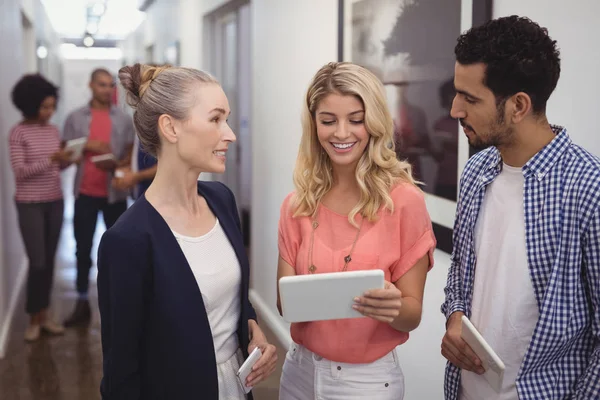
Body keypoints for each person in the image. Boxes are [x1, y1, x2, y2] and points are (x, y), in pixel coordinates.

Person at [440, 16, 600, 400]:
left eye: (470, 98)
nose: (454, 110)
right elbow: (462, 268)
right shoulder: (477, 169)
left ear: (519, 105)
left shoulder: (588, 187)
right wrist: (455, 315)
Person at [97, 63, 278, 399]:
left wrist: (252, 328)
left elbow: (231, 299)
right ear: (171, 127)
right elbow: (121, 372)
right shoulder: (127, 240)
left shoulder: (222, 200)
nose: (230, 134)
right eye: (215, 119)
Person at [277, 62, 436, 399]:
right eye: (328, 121)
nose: (342, 133)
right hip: (299, 372)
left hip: (366, 383)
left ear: (374, 122)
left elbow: (411, 317)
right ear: (314, 124)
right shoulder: (297, 204)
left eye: (356, 119)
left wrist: (395, 306)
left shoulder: (404, 202)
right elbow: (284, 305)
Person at [61, 68, 135, 327]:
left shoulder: (124, 120)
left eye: (110, 85)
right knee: (83, 250)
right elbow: (64, 158)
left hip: (114, 194)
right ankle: (81, 303)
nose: (106, 89)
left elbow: (128, 156)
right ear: (91, 85)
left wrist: (116, 163)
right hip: (85, 193)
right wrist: (87, 147)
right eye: (101, 85)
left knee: (116, 251)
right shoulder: (74, 118)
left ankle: (118, 305)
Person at [8, 74, 73, 341]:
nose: (50, 111)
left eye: (52, 106)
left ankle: (44, 315)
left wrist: (68, 159)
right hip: (30, 205)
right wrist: (51, 159)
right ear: (30, 105)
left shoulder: (53, 130)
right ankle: (33, 318)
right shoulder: (18, 132)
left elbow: (57, 166)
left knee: (48, 265)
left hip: (55, 200)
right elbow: (20, 172)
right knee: (37, 262)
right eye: (45, 106)